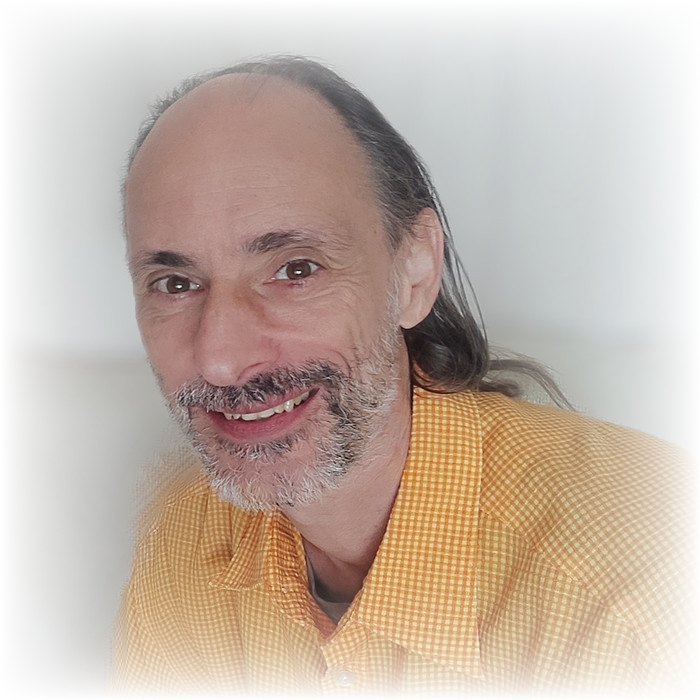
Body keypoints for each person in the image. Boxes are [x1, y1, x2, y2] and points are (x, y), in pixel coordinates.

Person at [110, 54, 699, 699]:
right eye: (175, 283)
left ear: (415, 272)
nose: (220, 359)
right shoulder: (187, 538)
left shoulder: (656, 602)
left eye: (296, 270)